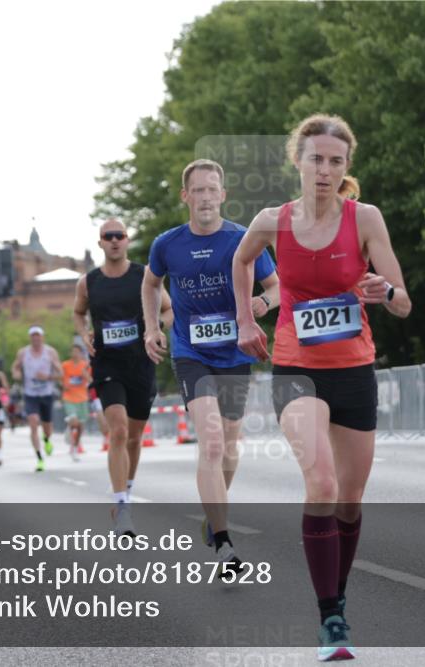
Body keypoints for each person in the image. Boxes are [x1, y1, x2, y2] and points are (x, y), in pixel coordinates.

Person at [234, 114, 411, 660]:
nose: (325, 170)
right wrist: (246, 321)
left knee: (350, 502)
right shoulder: (272, 220)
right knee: (322, 482)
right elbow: (240, 262)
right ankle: (331, 616)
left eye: (336, 161)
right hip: (296, 367)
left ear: (346, 167)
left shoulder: (366, 219)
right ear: (298, 161)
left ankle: (337, 593)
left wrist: (386, 292)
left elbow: (402, 300)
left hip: (354, 368)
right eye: (316, 159)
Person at [143, 159, 280, 571]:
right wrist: (152, 327)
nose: (205, 197)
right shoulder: (168, 244)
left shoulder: (243, 239)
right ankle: (224, 544)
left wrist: (263, 303)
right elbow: (151, 283)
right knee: (212, 441)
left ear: (223, 195)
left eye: (212, 189)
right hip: (192, 353)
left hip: (236, 353)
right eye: (197, 190)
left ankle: (213, 512)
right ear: (186, 196)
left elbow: (276, 286)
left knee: (230, 449)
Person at [75, 218, 173, 535]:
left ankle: (126, 491)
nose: (115, 240)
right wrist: (83, 333)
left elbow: (169, 309)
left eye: (120, 236)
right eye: (108, 236)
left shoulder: (144, 275)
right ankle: (122, 506)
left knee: (133, 436)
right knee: (117, 431)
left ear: (127, 240)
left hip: (141, 363)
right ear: (100, 242)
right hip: (107, 365)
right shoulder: (88, 282)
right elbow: (78, 312)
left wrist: (158, 331)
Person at [12, 326, 63, 472]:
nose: (36, 338)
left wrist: (47, 377)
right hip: (30, 394)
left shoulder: (50, 352)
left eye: (38, 336)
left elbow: (61, 374)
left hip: (46, 393)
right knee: (33, 422)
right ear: (30, 338)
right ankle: (39, 458)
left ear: (42, 337)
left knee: (47, 428)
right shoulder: (23, 353)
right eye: (33, 336)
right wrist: (16, 373)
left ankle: (47, 440)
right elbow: (15, 367)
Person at [61, 345, 91, 461]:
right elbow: (61, 379)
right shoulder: (65, 365)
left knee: (80, 426)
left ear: (81, 353)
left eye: (77, 352)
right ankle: (69, 427)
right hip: (69, 397)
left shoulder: (85, 365)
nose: (75, 354)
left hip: (82, 398)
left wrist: (85, 375)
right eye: (73, 351)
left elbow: (91, 380)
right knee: (74, 422)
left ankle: (75, 447)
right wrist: (64, 385)